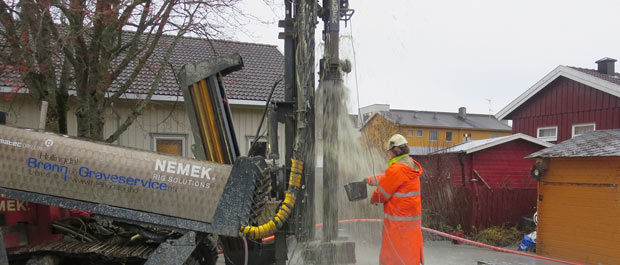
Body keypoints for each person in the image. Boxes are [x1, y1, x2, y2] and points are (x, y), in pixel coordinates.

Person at [365, 134, 424, 265]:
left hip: (398, 225)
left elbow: (382, 194)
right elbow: (392, 179)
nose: (389, 154)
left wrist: (373, 199)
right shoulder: (409, 165)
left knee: (394, 258)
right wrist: (370, 180)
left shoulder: (397, 169)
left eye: (390, 151)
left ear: (396, 150)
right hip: (411, 226)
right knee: (408, 256)